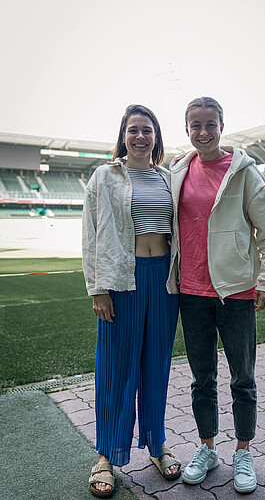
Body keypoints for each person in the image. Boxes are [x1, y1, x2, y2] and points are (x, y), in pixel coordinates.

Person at [170, 97, 265, 494]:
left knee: (242, 378)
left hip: (236, 292)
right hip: (190, 292)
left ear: (222, 125)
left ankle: (243, 451)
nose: (203, 132)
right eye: (195, 124)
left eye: (210, 124)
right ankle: (207, 448)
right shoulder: (177, 171)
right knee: (202, 379)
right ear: (186, 129)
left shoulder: (244, 172)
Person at [82, 104, 181, 498]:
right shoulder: (105, 176)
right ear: (123, 136)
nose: (141, 136)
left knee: (156, 364)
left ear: (156, 136)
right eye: (133, 130)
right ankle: (106, 455)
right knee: (115, 368)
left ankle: (156, 445)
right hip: (121, 279)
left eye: (148, 130)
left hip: (164, 281)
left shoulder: (167, 178)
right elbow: (90, 234)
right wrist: (97, 288)